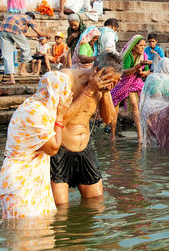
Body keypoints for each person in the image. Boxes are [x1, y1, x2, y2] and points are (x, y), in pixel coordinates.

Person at [0, 71, 72, 218]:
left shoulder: (33, 105)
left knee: (40, 236)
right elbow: (53, 148)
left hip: (27, 181)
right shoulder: (37, 111)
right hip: (20, 183)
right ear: (57, 92)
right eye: (66, 92)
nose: (68, 97)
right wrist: (60, 117)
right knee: (24, 235)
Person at [51, 53, 121, 205]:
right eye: (107, 79)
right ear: (96, 70)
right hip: (60, 148)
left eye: (113, 81)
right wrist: (89, 90)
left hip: (85, 147)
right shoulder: (66, 77)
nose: (109, 83)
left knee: (96, 204)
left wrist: (106, 91)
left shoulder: (103, 88)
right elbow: (58, 120)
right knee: (60, 208)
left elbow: (108, 119)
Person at [110, 35, 151, 143]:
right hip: (123, 82)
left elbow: (147, 71)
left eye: (144, 45)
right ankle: (112, 135)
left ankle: (140, 137)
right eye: (140, 45)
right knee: (114, 107)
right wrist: (138, 67)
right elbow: (124, 72)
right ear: (134, 46)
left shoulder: (144, 56)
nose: (143, 48)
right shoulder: (127, 55)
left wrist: (143, 72)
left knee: (135, 105)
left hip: (136, 82)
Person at [138, 57, 169, 148]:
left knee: (148, 140)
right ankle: (162, 160)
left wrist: (140, 109)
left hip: (149, 109)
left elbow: (143, 94)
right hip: (165, 112)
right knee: (163, 139)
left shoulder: (150, 77)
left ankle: (147, 160)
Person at [0, 12, 45, 83]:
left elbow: (24, 34)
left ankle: (11, 79)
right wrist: (47, 35)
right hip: (13, 29)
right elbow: (39, 32)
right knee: (26, 48)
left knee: (7, 55)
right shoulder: (29, 18)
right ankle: (22, 70)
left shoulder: (17, 18)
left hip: (3, 30)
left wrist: (35, 36)